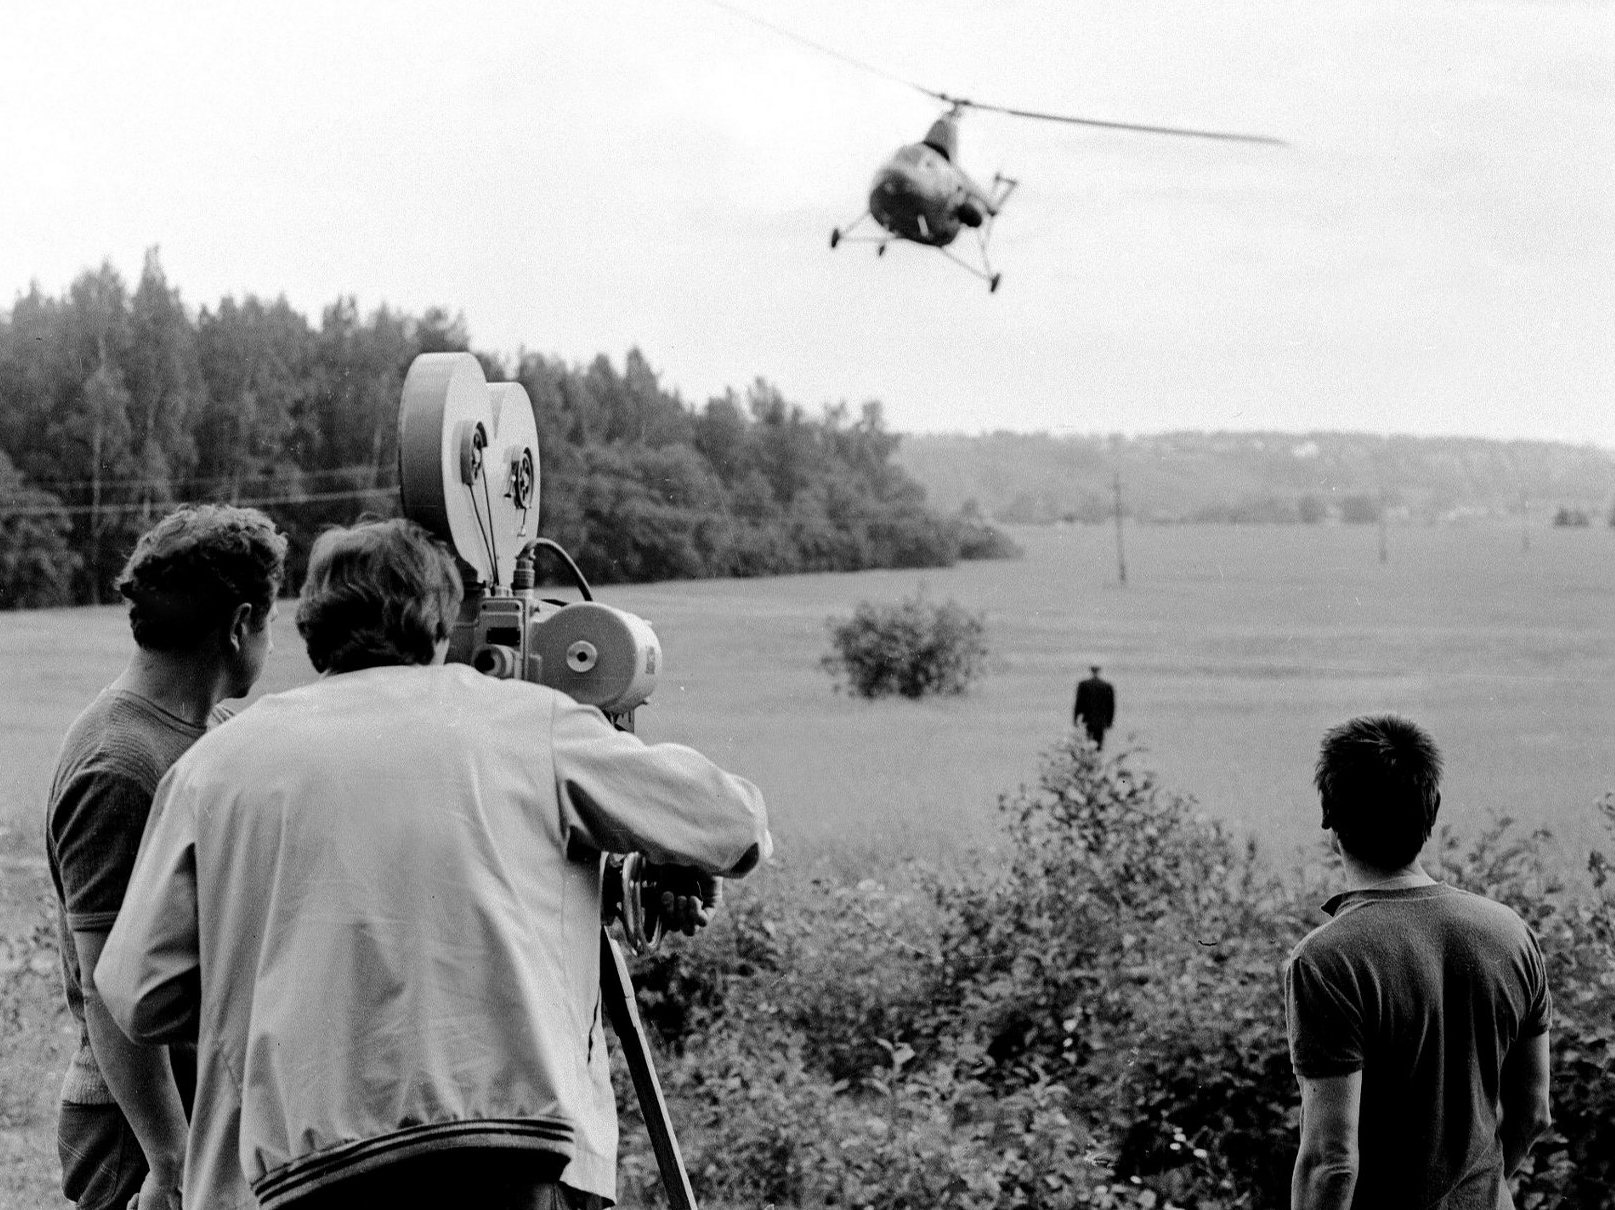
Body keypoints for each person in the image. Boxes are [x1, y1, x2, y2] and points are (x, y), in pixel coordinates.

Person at [96, 517, 772, 1210]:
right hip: (506, 1156)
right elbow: (732, 823)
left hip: (295, 1171)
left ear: (312, 626)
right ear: (440, 624)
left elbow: (140, 995)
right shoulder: (530, 722)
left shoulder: (212, 766)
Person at [43, 504, 287, 1210]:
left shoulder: (207, 730)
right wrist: (169, 1160)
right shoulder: (119, 766)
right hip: (138, 1131)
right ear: (239, 624)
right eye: (271, 623)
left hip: (191, 1105)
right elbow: (105, 988)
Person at [1284, 715, 1554, 1210]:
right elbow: (1534, 1112)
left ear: (1329, 816)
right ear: (1432, 810)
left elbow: (1330, 1162)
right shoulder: (1512, 933)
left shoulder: (1327, 960)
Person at [1072, 664, 1115, 749]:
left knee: (1088, 744)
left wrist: (1075, 719)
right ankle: (1097, 755)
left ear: (1091, 671)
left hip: (1088, 720)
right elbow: (1111, 706)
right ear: (1099, 671)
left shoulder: (1083, 685)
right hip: (1101, 721)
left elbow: (1079, 703)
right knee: (1098, 744)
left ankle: (1090, 756)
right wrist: (1109, 721)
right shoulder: (1107, 686)